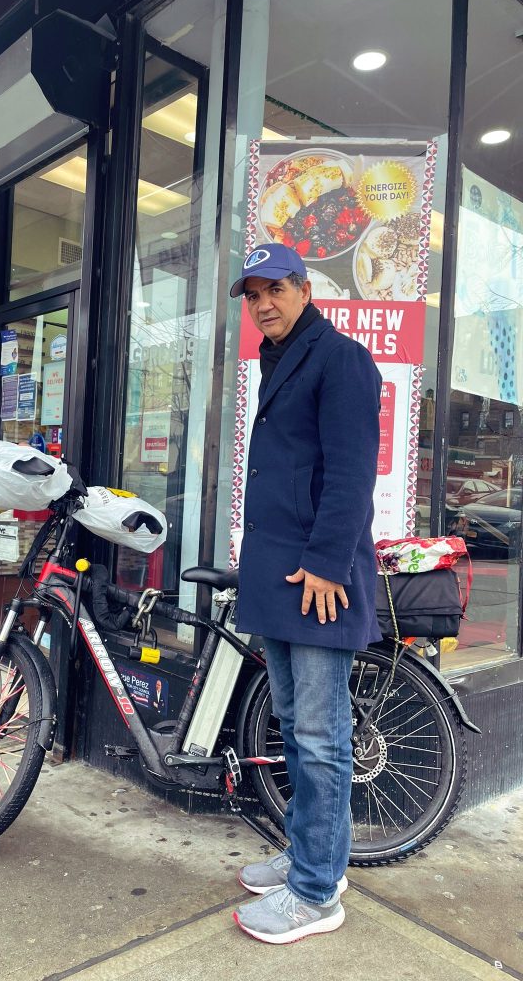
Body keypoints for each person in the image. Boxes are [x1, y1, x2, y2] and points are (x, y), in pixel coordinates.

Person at [229, 244, 381, 944]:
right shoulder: (279, 359)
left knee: (320, 740)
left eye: (275, 289)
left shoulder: (339, 357)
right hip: (279, 578)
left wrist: (325, 563)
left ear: (305, 288)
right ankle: (315, 857)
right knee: (295, 731)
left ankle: (316, 894)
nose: (263, 303)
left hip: (319, 583)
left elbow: (352, 476)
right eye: (253, 294)